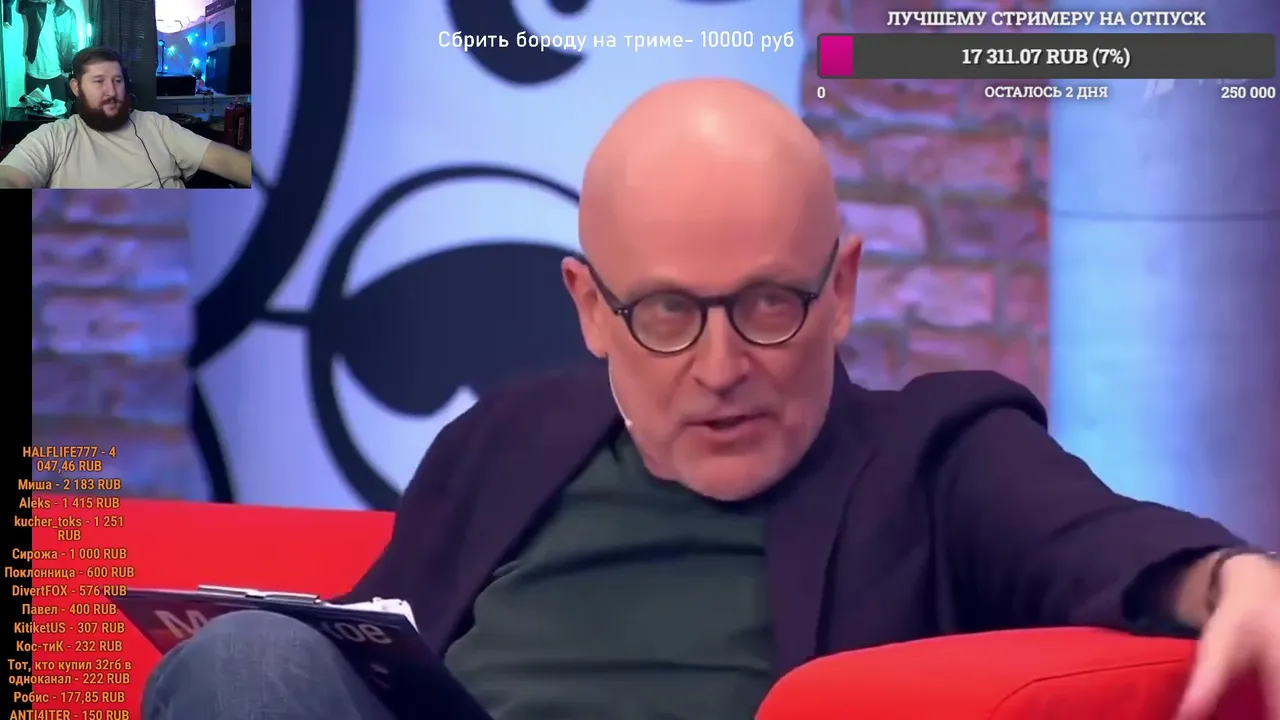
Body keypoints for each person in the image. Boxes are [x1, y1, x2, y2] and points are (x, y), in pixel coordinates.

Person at [142, 79, 1280, 720]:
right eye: (668, 314)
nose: (723, 365)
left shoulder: (936, 453)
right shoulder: (502, 442)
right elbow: (355, 667)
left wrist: (1238, 578)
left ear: (841, 289)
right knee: (247, 658)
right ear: (590, 308)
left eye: (769, 304)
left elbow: (1104, 544)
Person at [0, 46, 253, 189]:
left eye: (117, 80)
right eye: (99, 81)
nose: (111, 91)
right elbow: (11, 177)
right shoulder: (54, 136)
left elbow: (223, 159)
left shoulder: (156, 125)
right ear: (76, 88)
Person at [12, 0, 77, 102]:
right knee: (33, 110)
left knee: (61, 110)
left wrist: (69, 70)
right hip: (34, 71)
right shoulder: (33, 7)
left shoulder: (67, 12)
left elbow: (72, 44)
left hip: (59, 73)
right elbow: (21, 6)